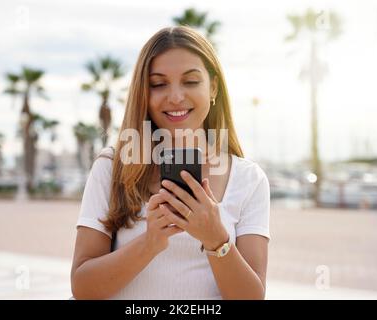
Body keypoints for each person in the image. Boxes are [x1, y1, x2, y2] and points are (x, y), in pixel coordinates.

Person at [71, 26, 270, 300]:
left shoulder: (249, 179)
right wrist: (150, 243)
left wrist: (216, 240)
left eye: (190, 81)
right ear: (144, 93)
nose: (175, 96)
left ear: (213, 87)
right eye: (159, 84)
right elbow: (83, 288)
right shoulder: (111, 168)